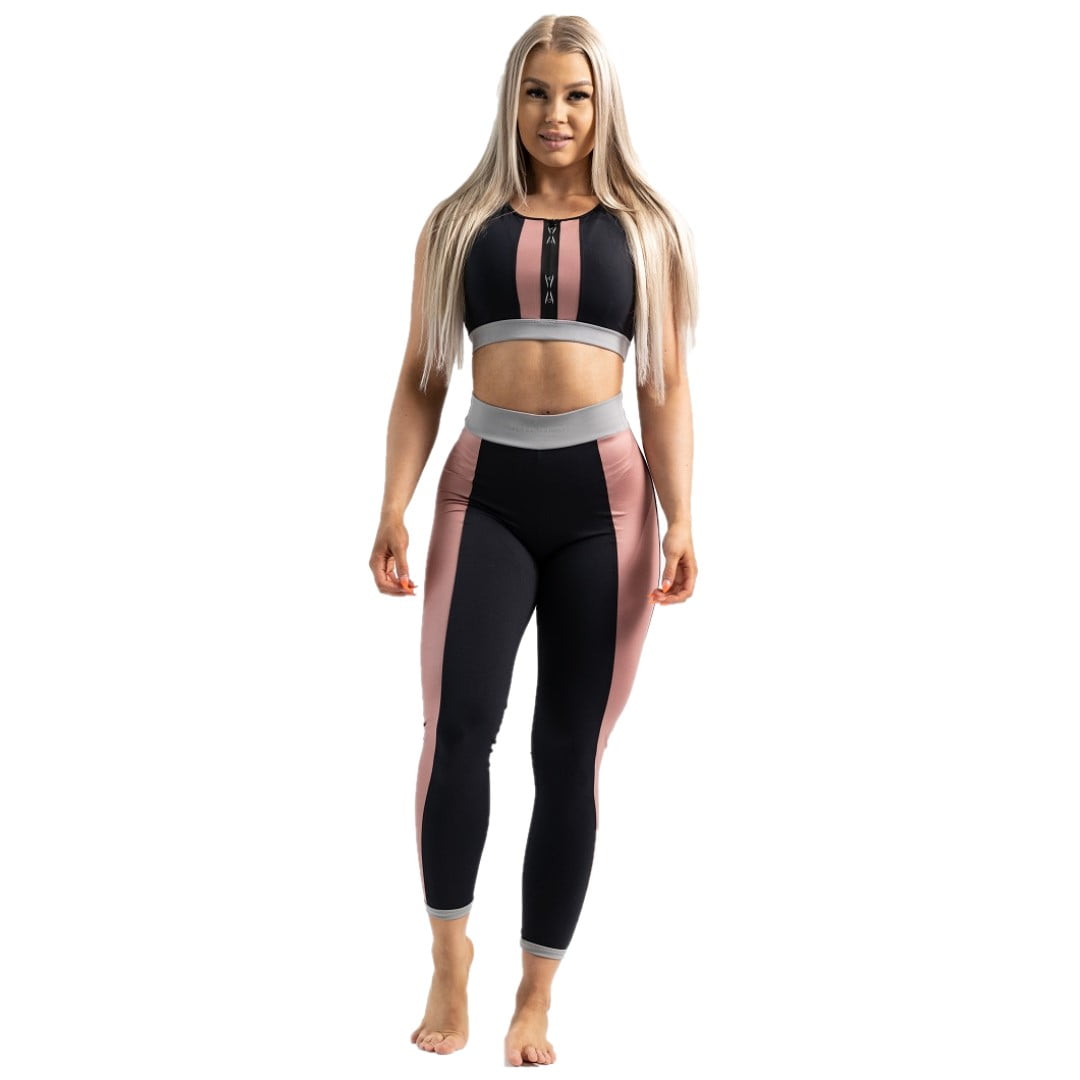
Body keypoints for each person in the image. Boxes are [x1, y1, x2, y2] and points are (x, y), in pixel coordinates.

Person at [369, 14, 698, 1067]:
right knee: (457, 728)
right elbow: (423, 374)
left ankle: (537, 991)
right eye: (539, 93)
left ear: (603, 105)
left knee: (569, 753)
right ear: (512, 100)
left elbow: (665, 385)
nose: (557, 115)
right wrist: (392, 504)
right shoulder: (457, 226)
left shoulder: (646, 229)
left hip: (608, 509)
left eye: (577, 95)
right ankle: (448, 953)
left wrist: (684, 514)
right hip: (486, 499)